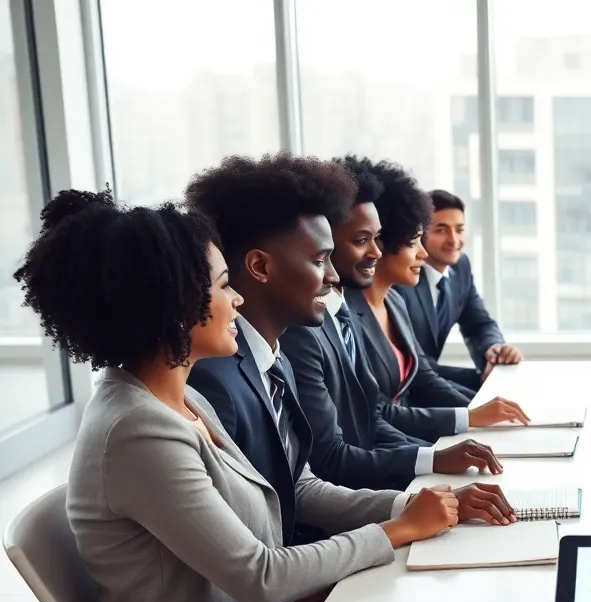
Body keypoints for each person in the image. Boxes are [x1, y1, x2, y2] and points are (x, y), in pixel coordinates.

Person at [15, 188, 462, 602]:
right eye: (225, 286)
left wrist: (416, 505)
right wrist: (396, 530)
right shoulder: (137, 431)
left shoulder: (181, 402)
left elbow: (295, 488)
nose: (239, 299)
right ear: (174, 303)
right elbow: (260, 576)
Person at [185, 154, 517, 554]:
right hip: (295, 577)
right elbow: (256, 554)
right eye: (319, 260)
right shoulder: (215, 382)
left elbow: (302, 486)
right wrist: (401, 523)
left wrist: (421, 499)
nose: (333, 275)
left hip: (318, 555)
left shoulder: (274, 360)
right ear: (260, 266)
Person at [278, 157, 512, 491]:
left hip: (380, 472)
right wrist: (435, 457)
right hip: (355, 495)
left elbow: (374, 418)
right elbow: (333, 456)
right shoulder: (309, 329)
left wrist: (434, 455)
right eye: (362, 240)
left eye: (377, 238)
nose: (375, 250)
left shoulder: (345, 310)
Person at [343, 158, 529, 440]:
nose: (423, 253)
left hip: (411, 432)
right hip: (395, 441)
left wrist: (483, 409)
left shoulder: (394, 301)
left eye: (460, 228)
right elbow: (376, 414)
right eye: (414, 241)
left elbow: (425, 374)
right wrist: (470, 416)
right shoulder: (346, 315)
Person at [394, 190, 521, 392]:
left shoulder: (460, 267)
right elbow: (413, 364)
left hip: (435, 387)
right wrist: (482, 380)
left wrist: (495, 351)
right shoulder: (401, 280)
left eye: (459, 229)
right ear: (420, 233)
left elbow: (478, 324)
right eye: (441, 230)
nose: (454, 240)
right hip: (408, 392)